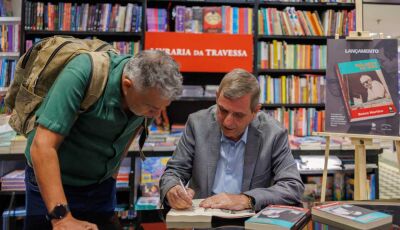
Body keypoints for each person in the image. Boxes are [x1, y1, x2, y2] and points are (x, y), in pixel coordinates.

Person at [24, 50, 183, 229]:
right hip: (54, 182)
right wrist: (61, 218)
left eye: (161, 108)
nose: (156, 115)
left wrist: (111, 179)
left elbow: (128, 135)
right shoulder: (82, 73)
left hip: (100, 187)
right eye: (152, 108)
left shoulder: (147, 96)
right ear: (127, 85)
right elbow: (41, 146)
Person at [160, 68, 304, 212]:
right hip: (203, 221)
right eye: (222, 110)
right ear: (217, 97)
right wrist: (173, 189)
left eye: (239, 115)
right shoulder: (197, 124)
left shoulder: (273, 133)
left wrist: (246, 200)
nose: (228, 122)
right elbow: (174, 172)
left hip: (250, 222)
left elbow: (292, 186)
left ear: (255, 111)